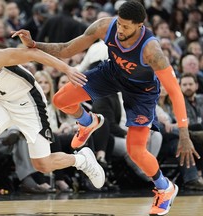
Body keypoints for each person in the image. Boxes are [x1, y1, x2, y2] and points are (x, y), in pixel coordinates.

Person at [12, 1, 200, 215]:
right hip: (112, 74)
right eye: (119, 24)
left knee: (136, 150)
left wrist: (184, 133)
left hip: (142, 92)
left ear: (140, 26)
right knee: (60, 100)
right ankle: (87, 122)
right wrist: (35, 44)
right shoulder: (104, 26)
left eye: (126, 27)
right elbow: (66, 50)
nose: (120, 30)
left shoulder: (152, 50)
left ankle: (165, 188)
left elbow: (175, 92)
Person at [0, 37, 105, 215]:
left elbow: (32, 53)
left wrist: (67, 69)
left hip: (28, 100)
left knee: (43, 165)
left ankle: (82, 160)